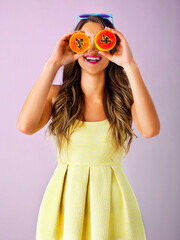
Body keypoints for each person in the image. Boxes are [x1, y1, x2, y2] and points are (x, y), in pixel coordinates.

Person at [17, 14, 160, 240]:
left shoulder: (126, 99)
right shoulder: (57, 96)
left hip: (113, 205)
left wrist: (129, 64)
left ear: (113, 46)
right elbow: (26, 125)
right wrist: (53, 63)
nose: (92, 50)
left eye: (101, 41)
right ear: (73, 46)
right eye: (83, 41)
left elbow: (151, 130)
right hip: (65, 205)